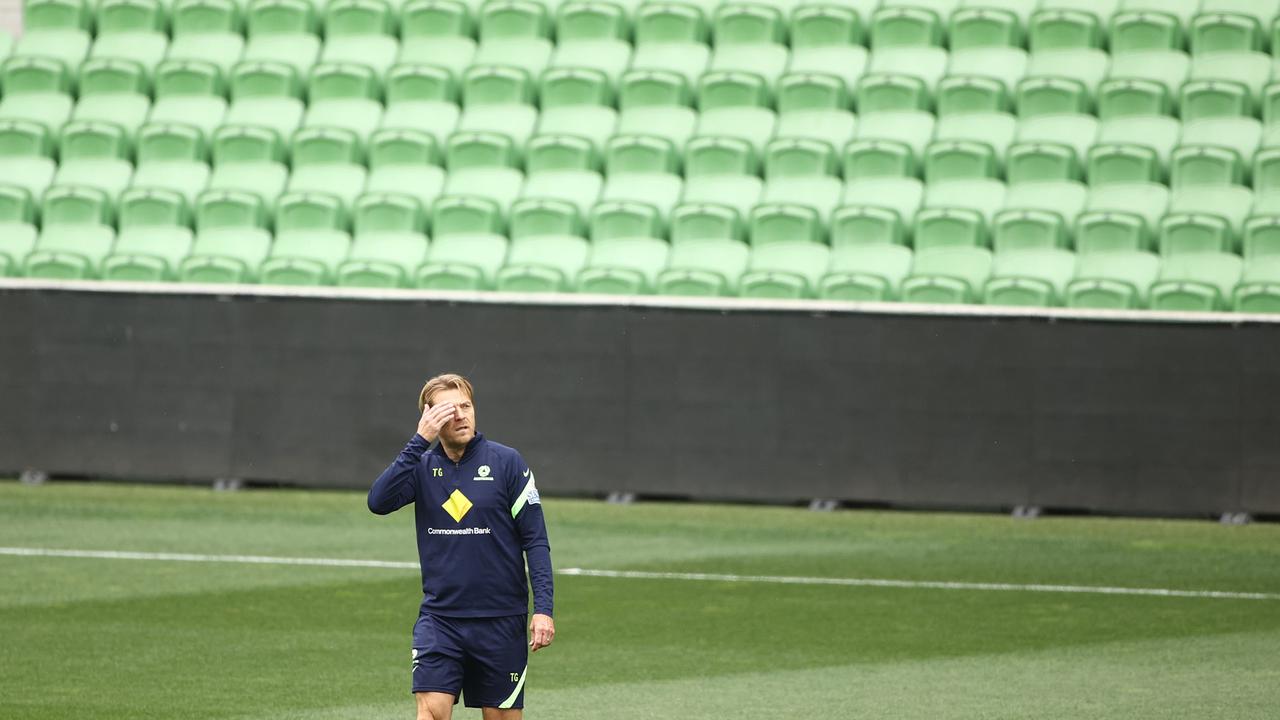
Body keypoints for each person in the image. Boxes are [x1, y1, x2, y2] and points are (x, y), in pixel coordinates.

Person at [368, 373, 555, 720]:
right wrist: (419, 441)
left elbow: (536, 540)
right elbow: (378, 502)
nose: (461, 416)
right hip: (440, 620)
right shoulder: (421, 466)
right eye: (448, 410)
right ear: (429, 418)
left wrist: (543, 609)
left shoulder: (508, 463)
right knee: (433, 712)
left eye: (466, 406)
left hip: (501, 620)